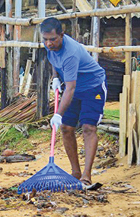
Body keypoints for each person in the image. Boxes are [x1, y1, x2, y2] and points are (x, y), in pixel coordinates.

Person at [41, 17, 106, 188]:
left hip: (93, 87)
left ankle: (86, 176)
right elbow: (54, 59)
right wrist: (55, 77)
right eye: (45, 39)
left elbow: (70, 89)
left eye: (52, 39)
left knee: (88, 127)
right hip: (74, 88)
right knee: (66, 128)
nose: (48, 43)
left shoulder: (70, 53)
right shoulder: (50, 46)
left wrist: (57, 114)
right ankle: (75, 172)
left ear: (62, 35)